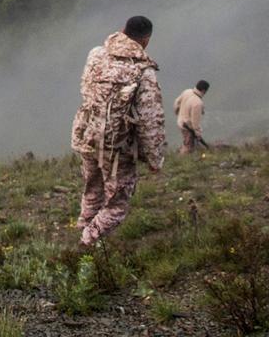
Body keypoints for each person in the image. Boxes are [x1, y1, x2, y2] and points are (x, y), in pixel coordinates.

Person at [71, 16, 166, 247]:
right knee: (117, 203)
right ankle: (87, 244)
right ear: (146, 40)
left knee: (92, 189)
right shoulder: (143, 71)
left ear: (123, 30)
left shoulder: (96, 54)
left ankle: (84, 227)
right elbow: (150, 119)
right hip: (116, 146)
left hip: (86, 136)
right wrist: (154, 158)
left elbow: (85, 88)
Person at [174, 80, 209, 154]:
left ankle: (180, 153)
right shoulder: (197, 103)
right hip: (188, 127)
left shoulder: (187, 91)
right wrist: (198, 134)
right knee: (188, 147)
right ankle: (181, 161)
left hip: (180, 121)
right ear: (203, 90)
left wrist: (178, 112)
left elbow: (176, 102)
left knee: (186, 142)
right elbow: (195, 122)